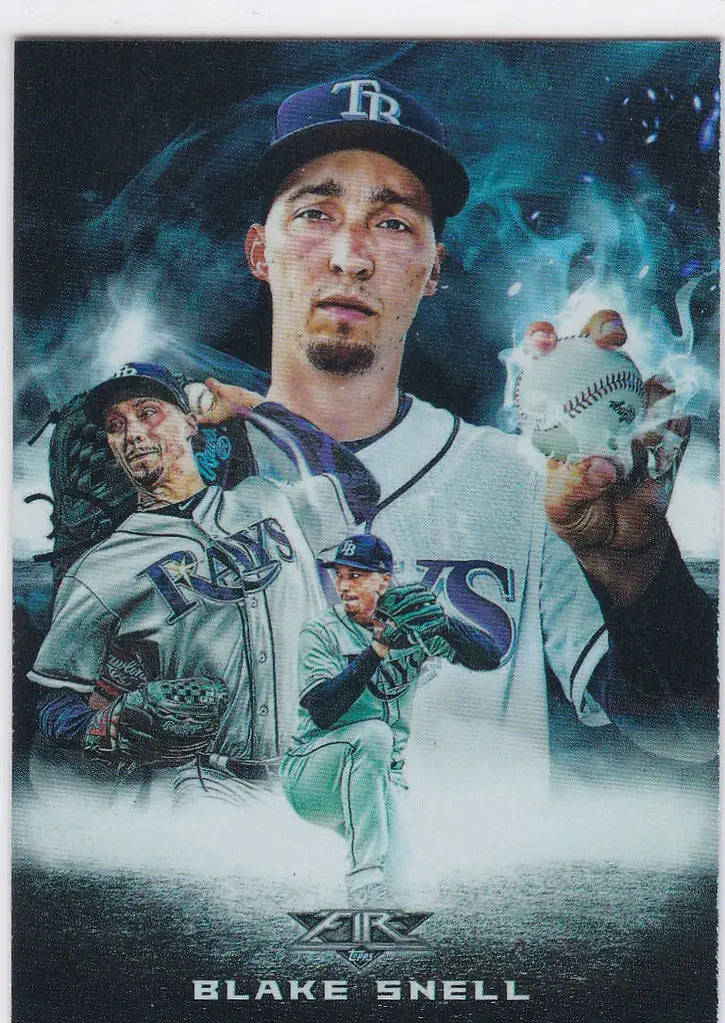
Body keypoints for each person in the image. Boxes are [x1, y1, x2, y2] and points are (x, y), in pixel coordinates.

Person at [198, 74, 716, 786]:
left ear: (433, 266)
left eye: (393, 223)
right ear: (260, 252)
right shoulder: (180, 478)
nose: (351, 256)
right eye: (316, 213)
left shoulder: (526, 483)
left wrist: (637, 569)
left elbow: (689, 737)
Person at [28, 361, 380, 806]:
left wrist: (258, 409)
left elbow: (362, 488)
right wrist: (107, 726)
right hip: (210, 787)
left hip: (318, 769)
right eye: (116, 426)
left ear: (191, 421)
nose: (132, 433)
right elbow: (53, 699)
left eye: (148, 412)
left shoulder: (265, 499)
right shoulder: (100, 570)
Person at [280, 533, 499, 904]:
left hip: (380, 780)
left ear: (384, 580)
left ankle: (379, 919)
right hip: (313, 776)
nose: (344, 585)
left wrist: (443, 623)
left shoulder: (410, 626)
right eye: (340, 575)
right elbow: (323, 709)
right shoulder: (322, 631)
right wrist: (377, 648)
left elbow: (488, 656)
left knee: (406, 875)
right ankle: (364, 882)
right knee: (373, 734)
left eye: (357, 576)